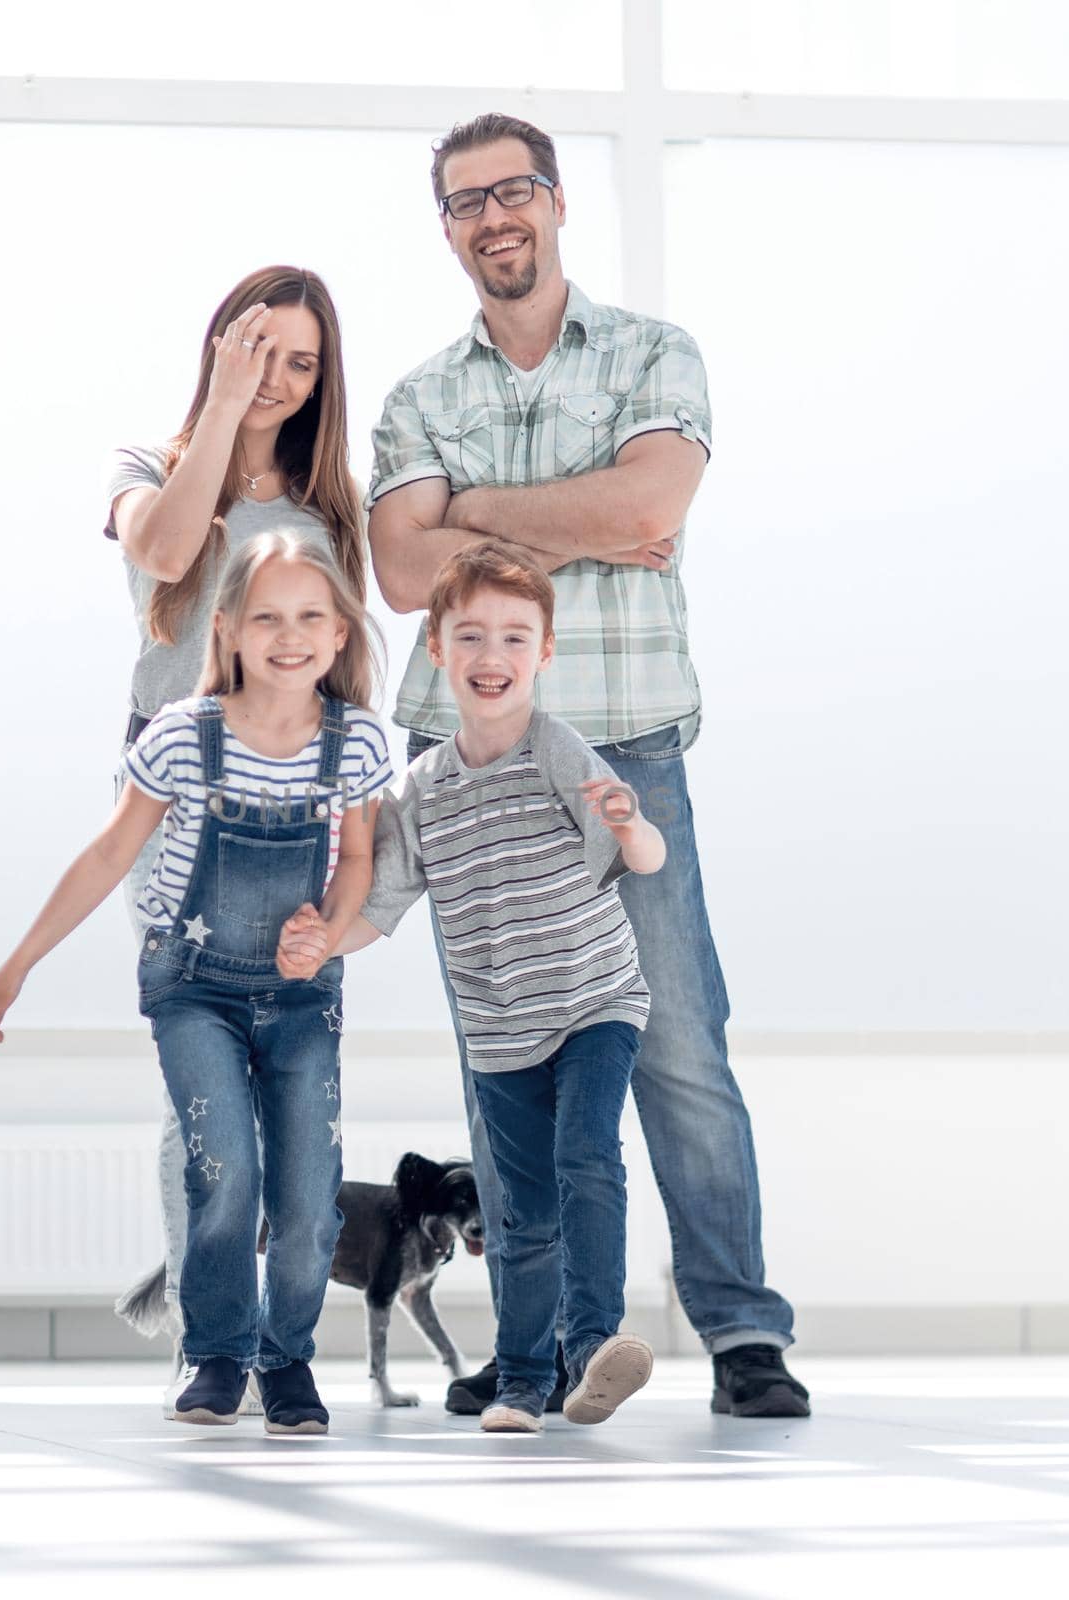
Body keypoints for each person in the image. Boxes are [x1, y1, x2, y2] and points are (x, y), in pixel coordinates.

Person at [364, 112, 809, 1419]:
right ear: (445, 228)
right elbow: (398, 572)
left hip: (627, 754)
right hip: (473, 768)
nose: (492, 218)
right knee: (504, 1063)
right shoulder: (417, 397)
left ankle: (738, 1332)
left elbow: (645, 508)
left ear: (554, 203)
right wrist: (583, 515)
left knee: (676, 1049)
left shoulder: (649, 354)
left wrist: (477, 518)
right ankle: (535, 1346)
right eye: (464, 203)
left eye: (512, 192)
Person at [0, 531, 392, 1434]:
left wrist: (323, 933)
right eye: (268, 617)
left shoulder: (355, 742)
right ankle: (217, 1352)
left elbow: (357, 858)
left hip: (299, 995)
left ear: (341, 632)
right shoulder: (182, 735)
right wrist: (18, 963)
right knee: (225, 1168)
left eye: (311, 616)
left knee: (310, 1191)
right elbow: (108, 852)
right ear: (230, 628)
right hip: (192, 986)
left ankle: (288, 1361)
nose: (291, 635)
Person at [282, 541, 662, 1433]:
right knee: (519, 1211)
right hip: (500, 1034)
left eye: (515, 638)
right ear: (439, 651)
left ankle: (594, 1343)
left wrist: (633, 822)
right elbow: (383, 911)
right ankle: (525, 1383)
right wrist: (321, 943)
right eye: (473, 637)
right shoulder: (419, 789)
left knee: (586, 1160)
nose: (494, 657)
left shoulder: (560, 751)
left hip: (595, 1002)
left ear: (545, 653)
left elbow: (644, 859)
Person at [104, 267, 366, 1331]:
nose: (278, 380)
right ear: (222, 346)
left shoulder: (328, 509)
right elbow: (167, 552)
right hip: (176, 800)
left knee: (292, 1078)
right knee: (199, 1074)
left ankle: (263, 1325)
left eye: (302, 363)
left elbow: (349, 660)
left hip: (300, 810)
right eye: (261, 352)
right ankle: (211, 1339)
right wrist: (224, 401)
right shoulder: (145, 470)